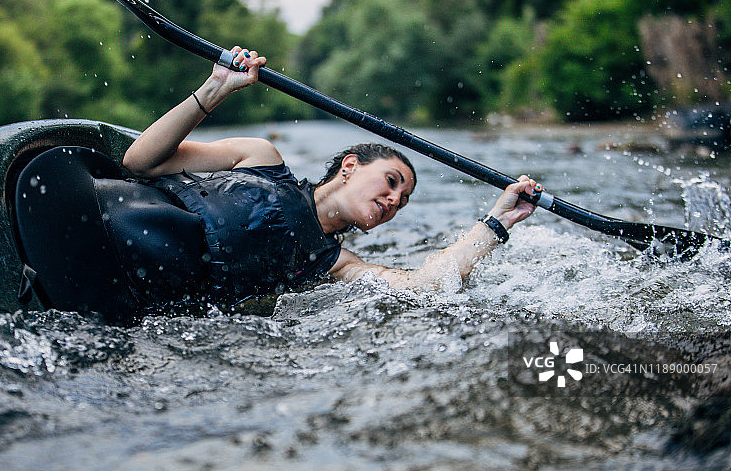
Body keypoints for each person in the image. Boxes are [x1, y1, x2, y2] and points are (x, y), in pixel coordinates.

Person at [119, 46, 540, 309]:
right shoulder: (260, 158)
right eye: (392, 181)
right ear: (350, 166)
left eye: (404, 200)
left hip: (124, 295)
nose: (395, 200)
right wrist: (216, 88)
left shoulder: (328, 264)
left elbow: (426, 286)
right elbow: (140, 162)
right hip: (112, 217)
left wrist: (498, 221)